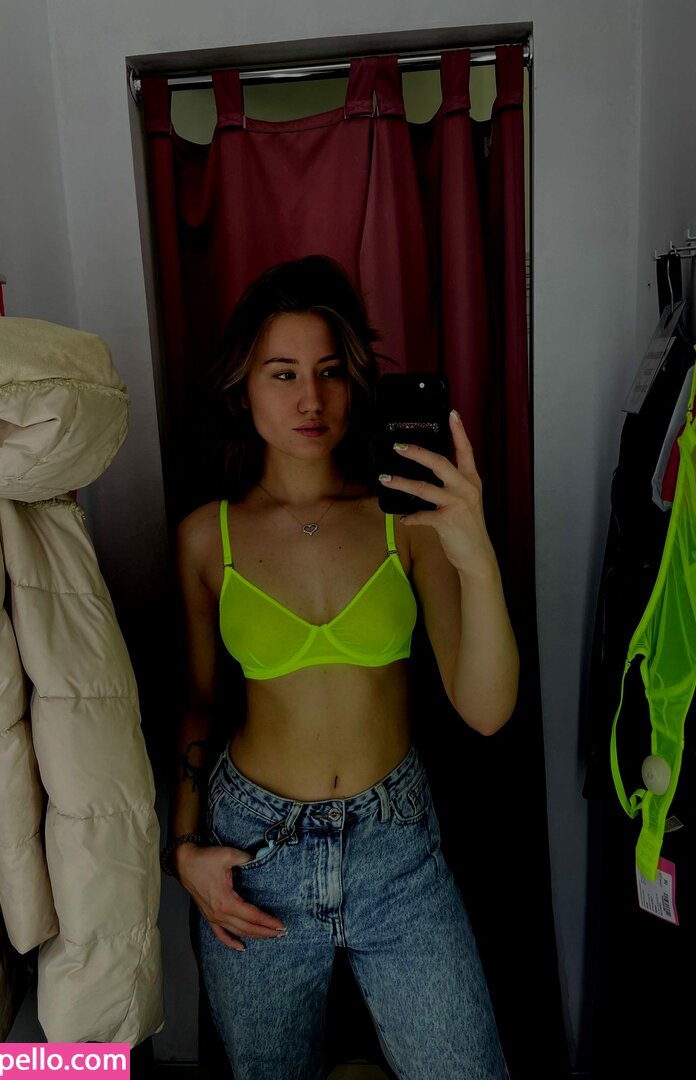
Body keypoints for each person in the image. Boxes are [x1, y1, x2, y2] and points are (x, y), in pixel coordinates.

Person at [163, 255, 519, 1080]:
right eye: (283, 373)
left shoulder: (408, 523)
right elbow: (197, 705)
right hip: (256, 856)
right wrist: (182, 852)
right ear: (243, 389)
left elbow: (487, 709)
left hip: (398, 852)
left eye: (328, 371)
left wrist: (475, 552)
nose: (310, 399)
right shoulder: (205, 537)